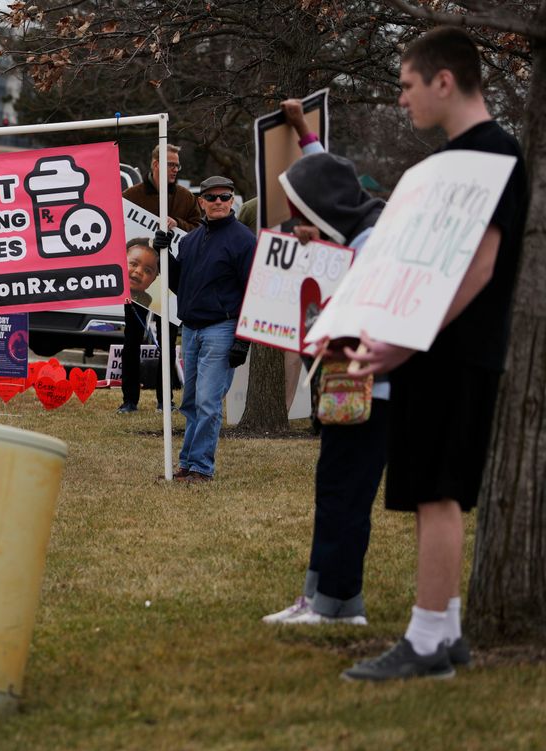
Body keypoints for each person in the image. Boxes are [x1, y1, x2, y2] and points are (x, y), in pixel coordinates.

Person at [341, 27, 528, 681]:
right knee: (424, 488)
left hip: (457, 349)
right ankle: (443, 632)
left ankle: (425, 645)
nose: (402, 100)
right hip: (430, 349)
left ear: (443, 81)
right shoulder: (448, 161)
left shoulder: (495, 153)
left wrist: (407, 338)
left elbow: (479, 265)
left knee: (438, 493)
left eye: (407, 85)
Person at [262, 99, 389, 626]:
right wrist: (300, 128)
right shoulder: (357, 217)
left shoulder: (371, 244)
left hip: (371, 390)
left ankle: (335, 604)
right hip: (352, 386)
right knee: (334, 488)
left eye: (302, 213)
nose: (299, 223)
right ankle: (325, 597)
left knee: (343, 494)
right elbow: (326, 171)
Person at [154, 177, 254, 483]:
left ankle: (201, 467)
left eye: (225, 196)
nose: (219, 202)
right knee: (191, 401)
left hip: (222, 329)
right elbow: (178, 284)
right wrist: (163, 257)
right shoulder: (190, 240)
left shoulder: (244, 240)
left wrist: (242, 340)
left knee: (209, 403)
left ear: (233, 199)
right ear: (202, 202)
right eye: (212, 197)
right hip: (192, 329)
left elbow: (253, 291)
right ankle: (187, 463)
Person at [121, 239, 179, 413]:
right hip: (136, 290)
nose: (138, 271)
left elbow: (193, 223)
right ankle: (129, 401)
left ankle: (165, 400)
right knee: (131, 340)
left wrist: (176, 222)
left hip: (170, 279)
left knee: (167, 343)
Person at [123, 144, 202, 234]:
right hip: (139, 247)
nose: (175, 170)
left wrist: (177, 224)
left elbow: (199, 231)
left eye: (177, 166)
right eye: (171, 165)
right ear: (156, 164)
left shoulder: (187, 198)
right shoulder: (129, 196)